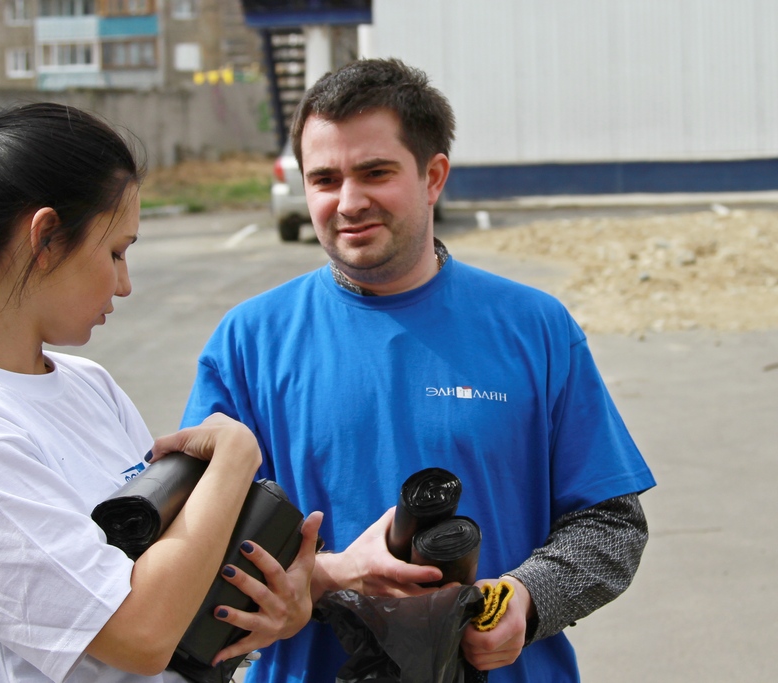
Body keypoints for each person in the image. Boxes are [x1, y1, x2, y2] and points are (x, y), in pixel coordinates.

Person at [180, 58, 656, 683]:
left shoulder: (536, 327)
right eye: (323, 179)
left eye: (375, 172)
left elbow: (611, 524)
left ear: (433, 176)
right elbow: (189, 554)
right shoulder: (247, 342)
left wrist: (527, 599)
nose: (348, 202)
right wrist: (330, 574)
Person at [0, 102, 323, 683]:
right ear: (47, 237)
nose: (125, 283)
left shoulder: (86, 384)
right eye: (115, 252)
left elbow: (168, 576)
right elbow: (139, 635)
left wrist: (271, 608)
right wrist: (235, 458)